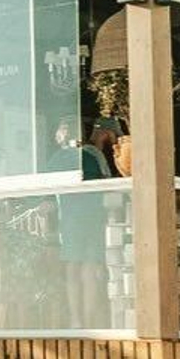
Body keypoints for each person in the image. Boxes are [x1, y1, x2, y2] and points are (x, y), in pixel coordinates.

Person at [59, 117, 122, 326]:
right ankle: (89, 321)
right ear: (106, 133)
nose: (115, 143)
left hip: (68, 217)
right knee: (90, 268)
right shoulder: (94, 155)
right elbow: (108, 188)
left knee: (73, 268)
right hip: (92, 217)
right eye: (115, 137)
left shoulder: (63, 156)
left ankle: (76, 320)